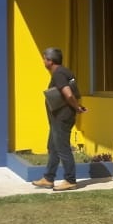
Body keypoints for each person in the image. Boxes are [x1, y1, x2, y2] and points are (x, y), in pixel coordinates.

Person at [32, 47, 87, 192]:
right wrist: (77, 106)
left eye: (44, 58)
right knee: (53, 147)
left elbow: (68, 94)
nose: (43, 61)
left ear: (50, 61)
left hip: (62, 118)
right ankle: (48, 178)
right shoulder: (63, 72)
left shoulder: (59, 74)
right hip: (58, 118)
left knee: (62, 148)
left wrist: (76, 107)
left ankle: (70, 180)